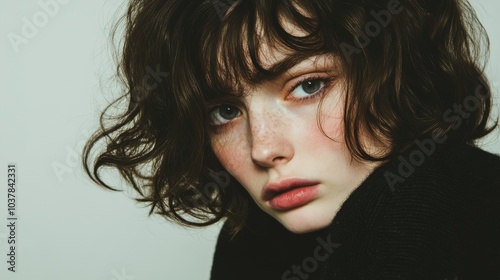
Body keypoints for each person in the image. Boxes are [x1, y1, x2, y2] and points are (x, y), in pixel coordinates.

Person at [83, 0, 500, 279]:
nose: (263, 149)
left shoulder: (442, 199)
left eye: (308, 86)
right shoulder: (250, 244)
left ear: (398, 73)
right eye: (225, 112)